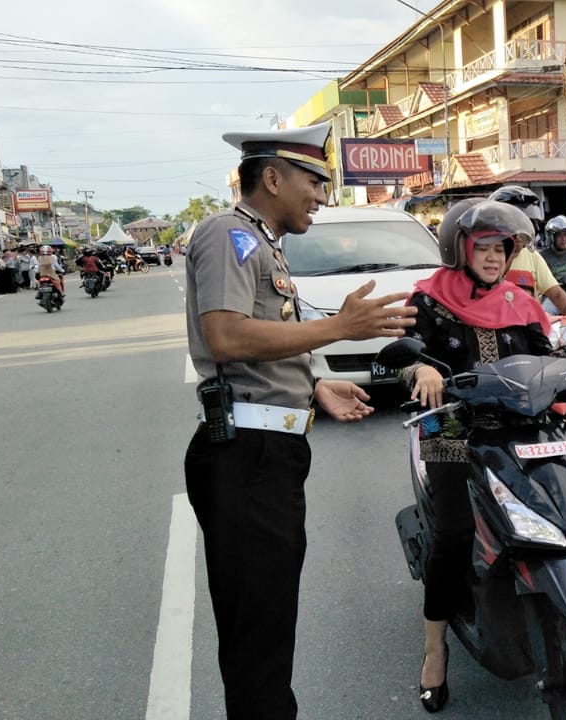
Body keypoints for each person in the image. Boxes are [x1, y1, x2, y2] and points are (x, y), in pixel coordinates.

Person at [182, 120, 417, 720]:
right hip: (246, 455)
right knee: (258, 633)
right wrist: (340, 327)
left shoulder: (261, 243)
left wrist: (314, 382)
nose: (322, 195)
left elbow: (267, 339)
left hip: (269, 452)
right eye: (314, 180)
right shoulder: (229, 235)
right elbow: (226, 334)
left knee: (267, 623)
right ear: (270, 176)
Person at [403, 199, 566, 714]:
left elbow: (548, 353)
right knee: (454, 530)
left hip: (522, 420)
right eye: (483, 246)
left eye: (501, 247)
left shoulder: (521, 300)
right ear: (460, 248)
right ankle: (434, 648)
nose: (493, 256)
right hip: (451, 421)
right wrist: (421, 371)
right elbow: (404, 353)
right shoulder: (429, 301)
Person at [486, 185, 566, 320]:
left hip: (527, 329)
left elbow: (556, 294)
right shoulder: (484, 259)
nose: (519, 234)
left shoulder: (532, 256)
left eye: (525, 226)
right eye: (513, 226)